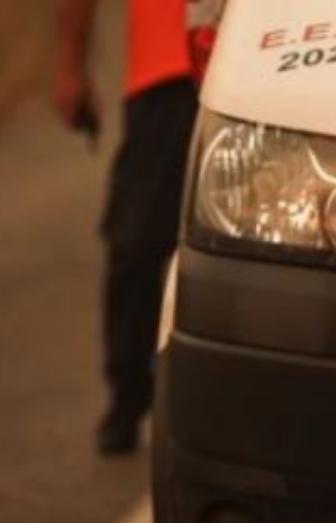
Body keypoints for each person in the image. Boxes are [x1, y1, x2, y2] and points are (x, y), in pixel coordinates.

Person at [54, 0, 222, 454]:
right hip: (167, 70)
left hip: (262, 61)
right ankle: (128, 396)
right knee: (136, 243)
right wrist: (70, 66)